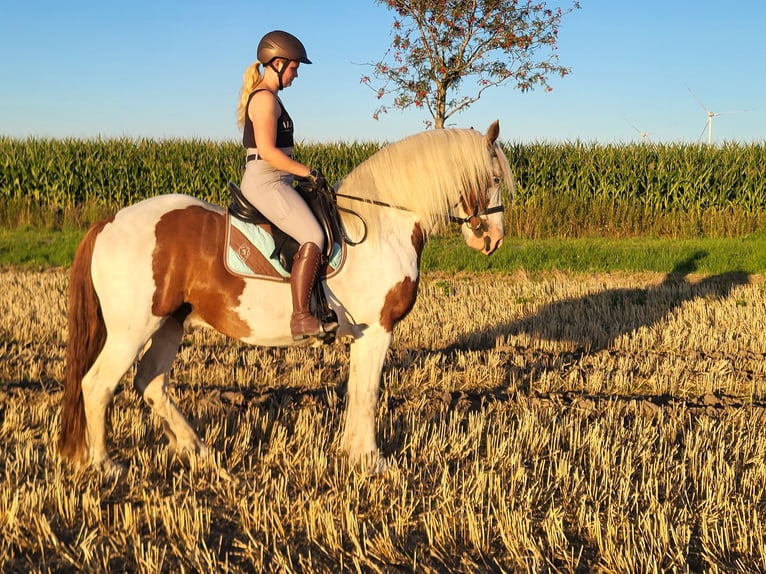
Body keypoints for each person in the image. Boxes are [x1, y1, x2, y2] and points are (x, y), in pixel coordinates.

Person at [236, 30, 337, 341]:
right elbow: (267, 151)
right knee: (313, 234)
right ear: (277, 63)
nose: (296, 74)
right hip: (266, 182)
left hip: (277, 180)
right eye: (294, 68)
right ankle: (301, 318)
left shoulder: (271, 98)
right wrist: (307, 172)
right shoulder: (265, 99)